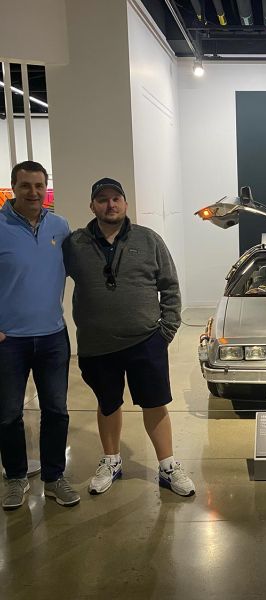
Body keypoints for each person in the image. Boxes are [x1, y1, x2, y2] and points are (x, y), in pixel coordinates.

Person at [63, 178, 195, 498]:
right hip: (97, 344)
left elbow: (170, 286)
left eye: (116, 198)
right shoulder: (75, 244)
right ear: (92, 206)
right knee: (108, 403)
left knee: (155, 403)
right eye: (102, 199)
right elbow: (45, 279)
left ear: (125, 203)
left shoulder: (148, 239)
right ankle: (111, 460)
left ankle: (167, 465)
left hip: (146, 340)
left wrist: (166, 330)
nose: (110, 205)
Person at [0, 161, 80, 510]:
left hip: (52, 337)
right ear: (13, 188)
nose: (33, 192)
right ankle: (16, 477)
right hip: (9, 341)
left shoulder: (59, 226)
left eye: (39, 186)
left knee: (56, 411)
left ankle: (54, 477)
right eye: (25, 185)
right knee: (8, 414)